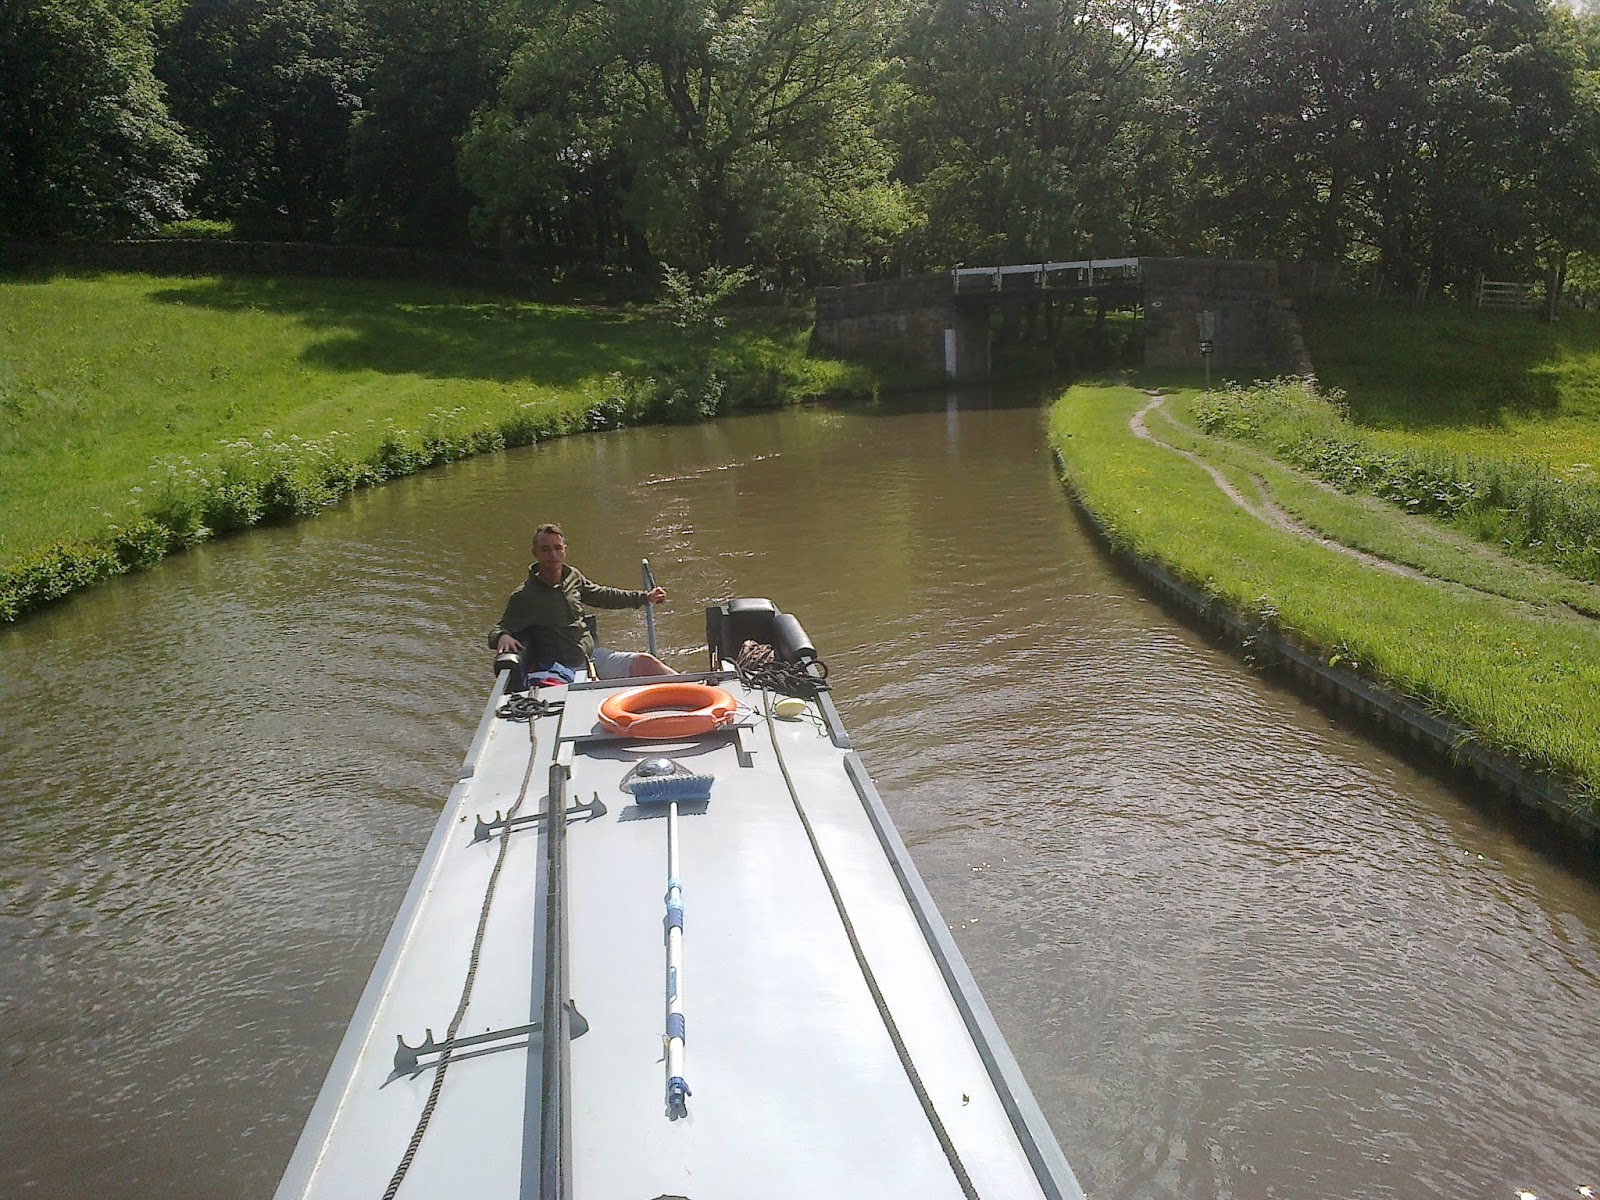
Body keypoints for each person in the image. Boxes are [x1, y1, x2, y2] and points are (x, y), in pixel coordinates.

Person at [489, 523, 673, 679]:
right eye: (545, 549)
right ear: (535, 553)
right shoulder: (525, 596)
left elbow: (602, 595)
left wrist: (644, 597)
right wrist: (502, 636)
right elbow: (497, 630)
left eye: (557, 548)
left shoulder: (572, 577)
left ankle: (697, 693)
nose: (553, 554)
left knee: (646, 663)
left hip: (590, 657)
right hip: (562, 670)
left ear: (565, 550)